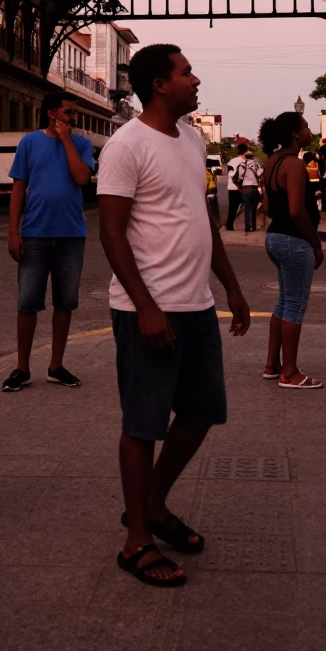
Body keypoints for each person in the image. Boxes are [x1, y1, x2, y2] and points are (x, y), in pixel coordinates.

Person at [98, 43, 251, 588]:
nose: (195, 79)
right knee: (142, 425)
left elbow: (204, 219)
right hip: (150, 310)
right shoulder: (125, 145)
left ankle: (154, 505)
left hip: (197, 305)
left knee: (202, 412)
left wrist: (230, 286)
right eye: (186, 72)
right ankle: (136, 540)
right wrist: (145, 306)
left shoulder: (190, 139)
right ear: (160, 85)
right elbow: (111, 232)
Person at [2, 92, 94, 393]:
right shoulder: (29, 143)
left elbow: (82, 179)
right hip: (35, 234)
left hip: (71, 235)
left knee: (65, 302)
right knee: (27, 303)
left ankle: (56, 365)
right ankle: (22, 368)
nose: (73, 118)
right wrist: (13, 232)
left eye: (73, 114)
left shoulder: (81, 144)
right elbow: (18, 188)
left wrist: (67, 140)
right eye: (68, 113)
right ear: (52, 114)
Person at [260, 112, 324, 388]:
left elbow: (269, 205)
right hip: (294, 239)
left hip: (275, 236)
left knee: (284, 302)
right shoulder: (294, 165)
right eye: (307, 127)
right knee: (295, 305)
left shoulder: (272, 162)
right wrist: (316, 242)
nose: (310, 131)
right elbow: (297, 211)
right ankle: (290, 372)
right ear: (296, 134)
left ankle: (272, 364)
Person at [234, 148, 264, 233]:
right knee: (254, 208)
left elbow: (239, 178)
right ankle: (253, 227)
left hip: (245, 189)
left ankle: (247, 227)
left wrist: (240, 188)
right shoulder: (256, 165)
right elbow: (261, 176)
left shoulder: (241, 165)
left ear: (245, 157)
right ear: (253, 157)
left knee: (247, 208)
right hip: (254, 188)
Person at [224, 141, 249, 230]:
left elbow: (229, 173)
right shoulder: (248, 162)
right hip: (244, 188)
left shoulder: (232, 161)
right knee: (247, 207)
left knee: (232, 208)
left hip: (232, 188)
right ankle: (247, 226)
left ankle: (229, 225)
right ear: (246, 152)